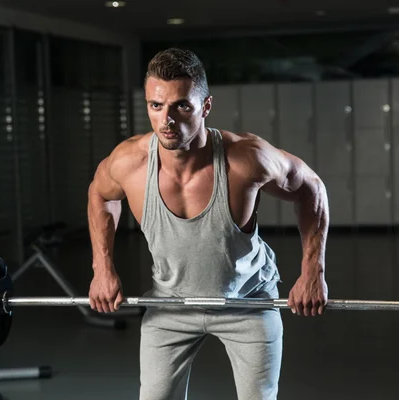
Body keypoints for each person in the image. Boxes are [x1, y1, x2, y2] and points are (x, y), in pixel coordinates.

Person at [87, 48, 329, 400]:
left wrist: (312, 272)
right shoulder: (130, 162)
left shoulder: (246, 159)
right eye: (157, 106)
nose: (167, 120)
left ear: (206, 106)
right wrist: (102, 268)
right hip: (169, 305)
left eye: (181, 106)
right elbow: (100, 194)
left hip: (248, 303)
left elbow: (311, 188)